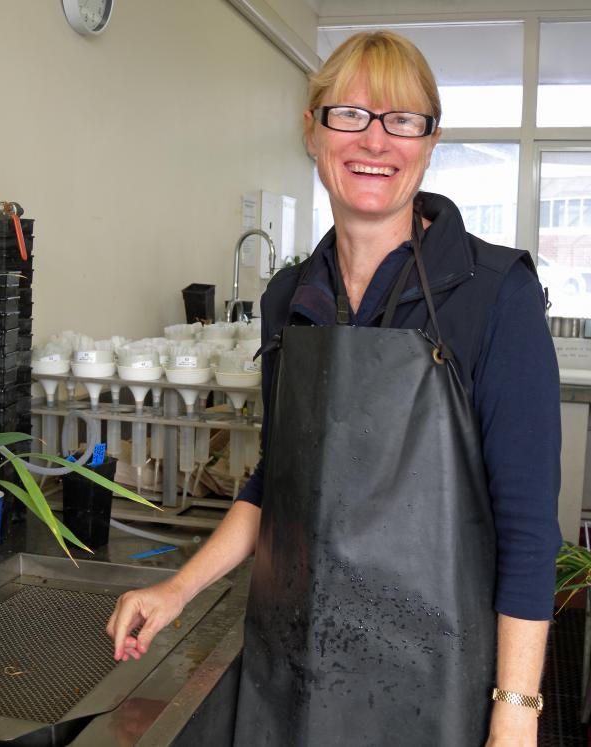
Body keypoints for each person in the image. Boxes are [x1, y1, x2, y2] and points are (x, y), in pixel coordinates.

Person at [107, 31, 562, 746]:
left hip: (445, 686)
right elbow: (276, 481)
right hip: (302, 673)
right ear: (313, 131)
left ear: (431, 139)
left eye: (402, 118)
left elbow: (530, 528)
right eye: (349, 113)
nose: (375, 140)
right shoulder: (289, 298)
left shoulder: (494, 294)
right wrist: (176, 587)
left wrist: (515, 706)